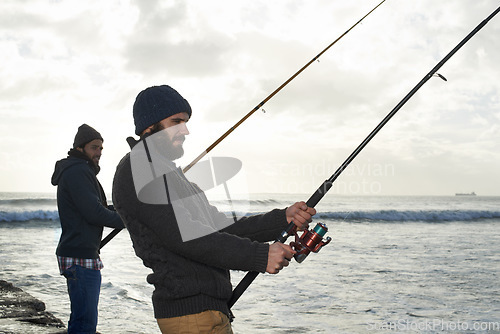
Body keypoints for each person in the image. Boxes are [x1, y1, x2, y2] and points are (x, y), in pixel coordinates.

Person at [112, 85, 317, 333]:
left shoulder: (168, 172)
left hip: (205, 313)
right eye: (176, 122)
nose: (185, 130)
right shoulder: (140, 166)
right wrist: (260, 256)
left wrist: (282, 218)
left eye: (186, 122)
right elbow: (185, 236)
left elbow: (221, 227)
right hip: (191, 317)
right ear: (149, 127)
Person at [51, 124, 124, 333]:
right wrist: (129, 220)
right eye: (94, 147)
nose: (99, 152)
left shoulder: (79, 170)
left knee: (82, 318)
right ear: (80, 148)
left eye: (101, 148)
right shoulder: (78, 171)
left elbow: (97, 208)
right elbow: (95, 213)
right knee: (85, 323)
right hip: (79, 257)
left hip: (80, 254)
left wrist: (126, 211)